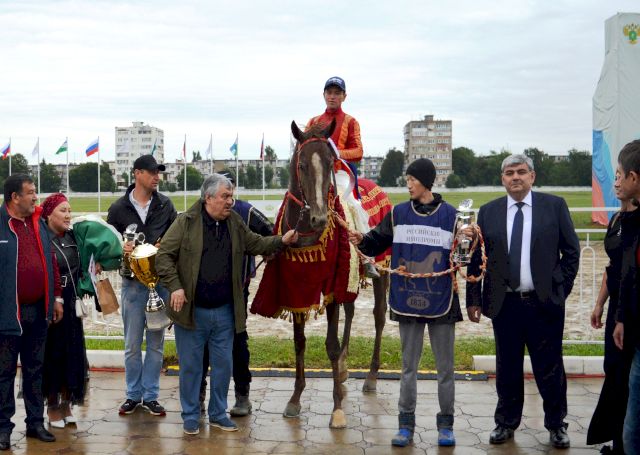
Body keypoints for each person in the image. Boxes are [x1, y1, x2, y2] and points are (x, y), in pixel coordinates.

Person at [156, 174, 298, 436]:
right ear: (208, 198)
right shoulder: (185, 222)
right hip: (192, 312)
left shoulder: (234, 222)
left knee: (223, 366)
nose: (230, 201)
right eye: (225, 196)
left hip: (225, 312)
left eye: (231, 196)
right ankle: (190, 416)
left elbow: (255, 243)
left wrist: (282, 240)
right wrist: (175, 286)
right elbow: (164, 255)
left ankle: (218, 414)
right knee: (191, 367)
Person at [349, 158, 466, 448]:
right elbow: (376, 241)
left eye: (412, 179)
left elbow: (465, 255)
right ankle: (405, 425)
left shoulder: (452, 215)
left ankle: (446, 425)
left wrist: (469, 239)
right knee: (408, 368)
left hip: (441, 301)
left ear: (426, 181)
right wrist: (361, 239)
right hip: (407, 301)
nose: (408, 184)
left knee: (445, 370)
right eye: (408, 179)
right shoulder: (398, 213)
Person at [466, 154, 580, 449]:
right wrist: (473, 298)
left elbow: (572, 252)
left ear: (532, 176)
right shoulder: (488, 212)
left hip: (544, 303)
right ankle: (505, 422)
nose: (515, 177)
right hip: (505, 304)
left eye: (521, 172)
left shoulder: (554, 207)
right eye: (509, 173)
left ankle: (557, 424)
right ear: (502, 179)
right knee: (508, 367)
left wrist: (560, 290)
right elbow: (478, 257)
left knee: (550, 367)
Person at [40, 193, 123, 429]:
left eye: (69, 210)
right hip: (50, 304)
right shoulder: (42, 239)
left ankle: (67, 403)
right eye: (62, 211)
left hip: (71, 302)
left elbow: (92, 258)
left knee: (73, 353)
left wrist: (95, 265)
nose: (68, 215)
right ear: (48, 214)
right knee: (53, 354)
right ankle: (52, 406)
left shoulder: (74, 237)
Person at [107, 155, 177, 417]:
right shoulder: (118, 209)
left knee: (157, 344)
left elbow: (175, 241)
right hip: (133, 287)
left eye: (158, 172)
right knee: (132, 344)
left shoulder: (166, 205)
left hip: (159, 284)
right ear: (137, 174)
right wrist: (119, 248)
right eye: (151, 172)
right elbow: (108, 249)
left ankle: (151, 396)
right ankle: (133, 394)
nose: (156, 176)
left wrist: (163, 247)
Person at [199, 174, 274, 417]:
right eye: (225, 192)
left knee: (238, 342)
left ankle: (243, 395)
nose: (229, 196)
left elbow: (268, 232)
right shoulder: (196, 215)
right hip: (203, 294)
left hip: (237, 291)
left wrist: (274, 246)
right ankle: (199, 395)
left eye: (230, 191)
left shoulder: (245, 211)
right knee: (202, 347)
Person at [0, 174, 62, 450]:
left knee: (35, 370)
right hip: (7, 313)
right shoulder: (1, 225)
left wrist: (56, 298)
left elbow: (51, 258)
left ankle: (35, 423)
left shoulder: (37, 222)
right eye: (31, 192)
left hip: (38, 311)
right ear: (15, 197)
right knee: (3, 373)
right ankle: (3, 427)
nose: (36, 197)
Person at [587, 185, 637, 453]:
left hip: (631, 309)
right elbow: (612, 266)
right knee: (614, 373)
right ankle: (618, 440)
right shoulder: (617, 219)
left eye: (621, 176)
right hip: (615, 307)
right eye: (614, 176)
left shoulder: (635, 223)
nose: (616, 182)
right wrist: (599, 303)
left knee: (629, 378)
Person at [611, 140, 640, 453]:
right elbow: (625, 273)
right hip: (631, 326)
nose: (616, 181)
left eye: (619, 174)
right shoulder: (627, 221)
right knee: (632, 429)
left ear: (634, 177)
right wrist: (619, 317)